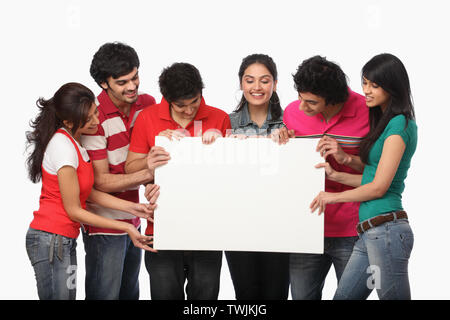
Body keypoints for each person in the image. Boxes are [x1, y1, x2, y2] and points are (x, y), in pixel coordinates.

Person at [25, 82, 156, 300]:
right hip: (50, 240)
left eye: (96, 112)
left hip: (63, 240)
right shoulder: (63, 147)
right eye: (90, 118)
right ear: (68, 121)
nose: (97, 121)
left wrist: (134, 208)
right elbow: (74, 209)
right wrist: (124, 226)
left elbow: (89, 193)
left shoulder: (75, 143)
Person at [310, 53, 417, 300]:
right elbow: (371, 178)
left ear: (393, 87)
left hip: (386, 231)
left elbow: (378, 188)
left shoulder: (400, 125)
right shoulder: (384, 122)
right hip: (369, 232)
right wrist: (337, 173)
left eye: (375, 85)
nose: (366, 90)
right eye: (365, 83)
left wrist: (332, 197)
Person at [125, 62, 231, 300]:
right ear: (167, 100)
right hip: (161, 229)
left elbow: (231, 180)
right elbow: (130, 168)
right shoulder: (148, 118)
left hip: (208, 230)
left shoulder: (220, 118)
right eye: (181, 106)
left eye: (194, 102)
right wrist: (150, 162)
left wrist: (222, 146)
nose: (189, 111)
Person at [280, 55, 369, 300]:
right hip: (306, 228)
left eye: (310, 102)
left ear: (333, 99)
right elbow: (286, 169)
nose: (300, 106)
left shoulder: (368, 111)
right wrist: (280, 142)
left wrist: (345, 157)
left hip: (353, 228)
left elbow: (379, 171)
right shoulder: (291, 113)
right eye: (300, 97)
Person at [80, 42, 157, 300]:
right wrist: (148, 172)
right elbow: (99, 181)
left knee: (129, 294)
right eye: (122, 82)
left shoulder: (148, 104)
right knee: (105, 295)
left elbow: (152, 153)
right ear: (104, 83)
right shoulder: (94, 116)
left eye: (135, 77)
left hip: (135, 219)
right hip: (104, 224)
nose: (132, 86)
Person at [225, 53, 289, 299]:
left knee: (277, 292)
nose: (257, 87)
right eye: (250, 80)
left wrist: (290, 142)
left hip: (280, 223)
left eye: (265, 80)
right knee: (246, 295)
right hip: (238, 224)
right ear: (241, 83)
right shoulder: (227, 123)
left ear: (274, 83)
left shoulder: (289, 122)